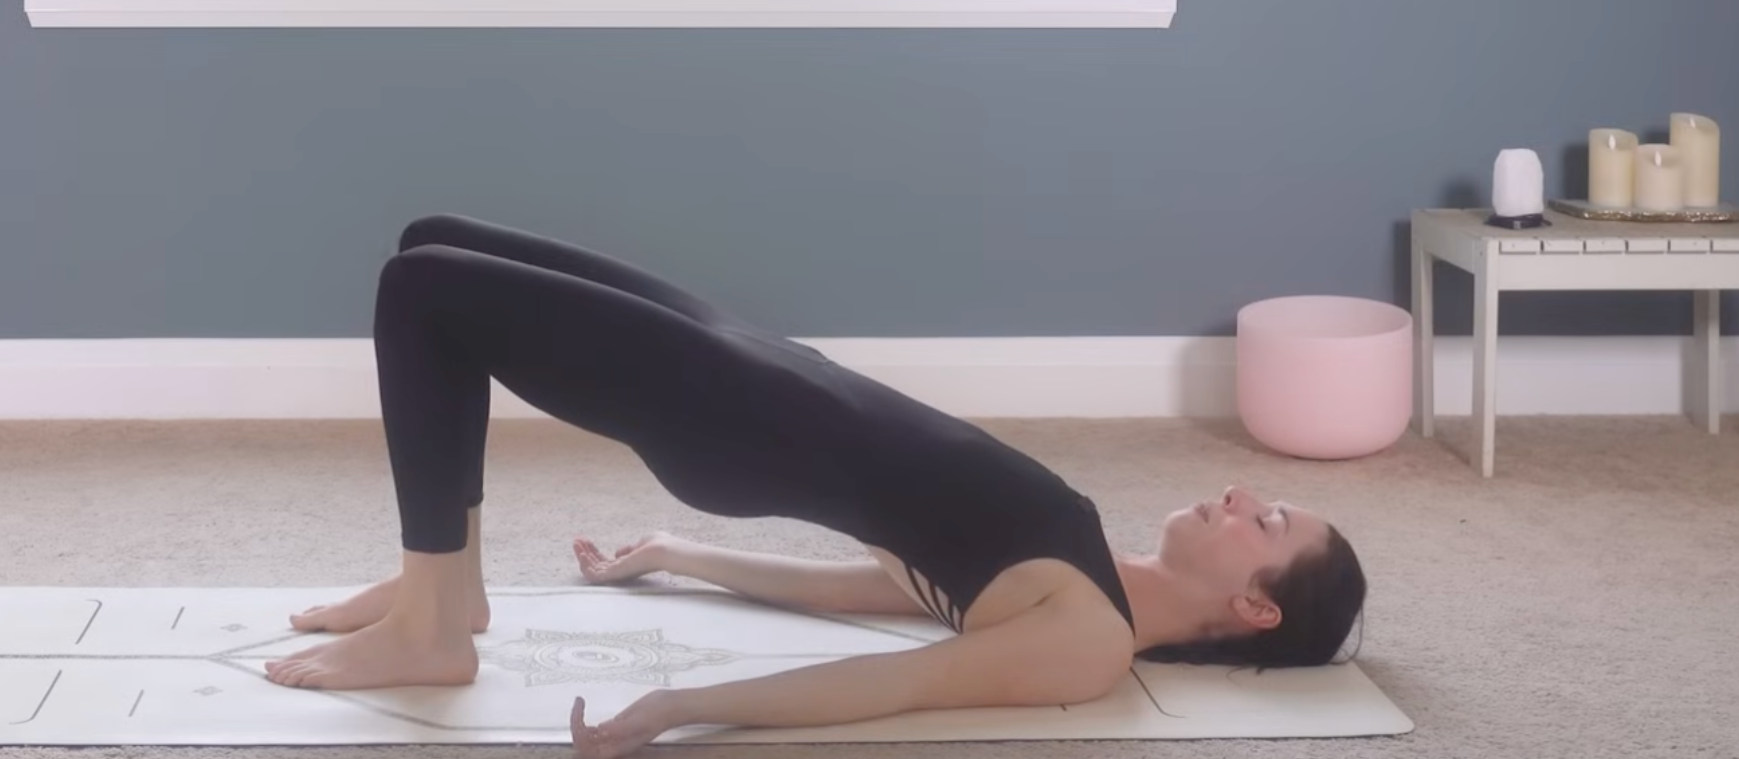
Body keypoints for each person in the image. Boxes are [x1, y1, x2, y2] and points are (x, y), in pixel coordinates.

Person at [265, 216, 1367, 757]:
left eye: (1265, 521)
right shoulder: (1093, 577)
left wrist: (680, 709)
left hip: (739, 415)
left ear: (1254, 608)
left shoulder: (1088, 644)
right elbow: (879, 589)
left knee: (420, 294)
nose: (1238, 496)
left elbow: (885, 687)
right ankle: (451, 588)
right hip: (766, 367)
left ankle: (433, 621)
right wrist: (677, 557)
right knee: (433, 243)